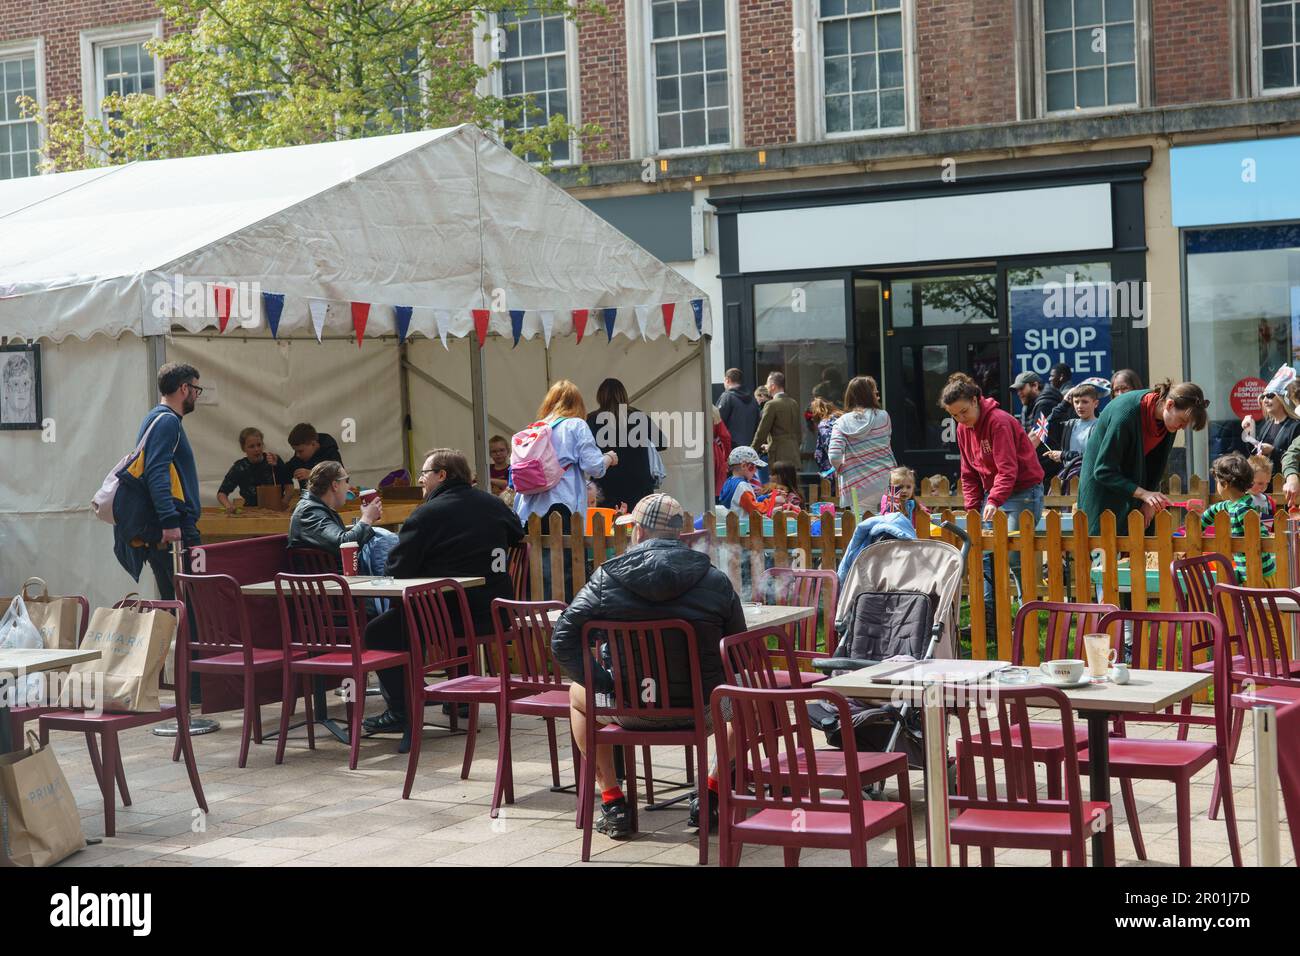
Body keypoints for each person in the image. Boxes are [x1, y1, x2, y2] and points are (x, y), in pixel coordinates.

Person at [551, 493, 746, 838]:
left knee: (577, 695)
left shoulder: (605, 579)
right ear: (679, 534)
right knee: (747, 703)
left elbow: (562, 639)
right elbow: (739, 651)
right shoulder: (714, 579)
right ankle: (710, 794)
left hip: (629, 706)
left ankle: (612, 802)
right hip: (703, 710)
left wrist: (603, 684)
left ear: (638, 532)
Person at [361, 448, 525, 734]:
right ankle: (458, 698)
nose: (422, 480)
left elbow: (397, 569)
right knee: (432, 611)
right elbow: (517, 535)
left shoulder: (426, 514)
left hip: (449, 621)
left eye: (425, 474)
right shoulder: (494, 504)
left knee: (379, 631)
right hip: (498, 612)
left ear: (442, 475)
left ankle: (401, 710)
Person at [941, 372, 1044, 641]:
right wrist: (973, 507)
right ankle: (991, 621)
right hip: (995, 493)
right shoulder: (964, 429)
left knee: (1013, 556)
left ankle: (1026, 618)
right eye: (954, 415)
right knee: (988, 557)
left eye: (964, 411)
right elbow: (968, 472)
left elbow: (1007, 468)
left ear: (976, 400)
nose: (960, 419)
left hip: (1022, 491)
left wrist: (995, 500)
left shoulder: (998, 422)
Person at [514, 380, 617, 600]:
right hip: (562, 507)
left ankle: (540, 621)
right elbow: (594, 467)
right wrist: (609, 457)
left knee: (539, 573)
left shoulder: (534, 428)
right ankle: (566, 623)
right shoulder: (576, 426)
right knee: (566, 573)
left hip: (529, 510)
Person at [1076, 379, 1209, 535]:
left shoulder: (1169, 423)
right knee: (1104, 552)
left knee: (1138, 551)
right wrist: (1145, 494)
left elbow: (1156, 467)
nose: (1183, 427)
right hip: (1102, 493)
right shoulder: (1125, 415)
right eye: (1183, 421)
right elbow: (1103, 471)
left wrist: (1148, 501)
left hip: (1134, 491)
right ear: (1169, 404)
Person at [128, 363, 204, 601]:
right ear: (184, 388)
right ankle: (188, 640)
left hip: (169, 528)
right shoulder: (167, 421)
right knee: (190, 605)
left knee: (176, 604)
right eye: (196, 390)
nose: (196, 396)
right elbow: (156, 472)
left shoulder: (155, 418)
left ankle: (179, 639)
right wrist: (170, 521)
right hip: (175, 530)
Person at [1198, 453, 1277, 585]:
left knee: (1260, 605)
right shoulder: (1230, 505)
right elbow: (1211, 512)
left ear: (1225, 484)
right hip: (1248, 572)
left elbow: (1262, 537)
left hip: (1260, 574)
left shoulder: (1243, 510)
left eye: (1217, 482)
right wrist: (1197, 529)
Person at [586, 377, 662, 512]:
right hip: (639, 487)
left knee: (605, 529)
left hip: (606, 486)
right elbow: (661, 442)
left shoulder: (591, 420)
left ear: (600, 397)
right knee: (637, 529)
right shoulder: (639, 417)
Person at [828, 375, 895, 512]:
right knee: (888, 526)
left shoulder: (841, 423)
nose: (878, 397)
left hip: (857, 486)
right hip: (886, 480)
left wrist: (840, 468)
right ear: (870, 396)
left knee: (864, 528)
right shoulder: (884, 417)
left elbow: (834, 456)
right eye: (876, 393)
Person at [287, 460, 382, 555]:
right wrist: (367, 518)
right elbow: (344, 545)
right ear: (335, 485)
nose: (348, 486)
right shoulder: (310, 512)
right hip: (327, 570)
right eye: (346, 481)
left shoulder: (315, 508)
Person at [217, 427, 291, 511]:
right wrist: (229, 506)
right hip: (250, 512)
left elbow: (289, 486)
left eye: (259, 445)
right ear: (243, 448)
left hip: (275, 511)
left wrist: (284, 503)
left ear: (263, 444)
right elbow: (221, 493)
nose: (257, 449)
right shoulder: (240, 467)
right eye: (251, 446)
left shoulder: (273, 460)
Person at [1045, 383, 1100, 487]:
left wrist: (1064, 455)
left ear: (1095, 403)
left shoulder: (1101, 426)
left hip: (1092, 481)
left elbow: (1095, 457)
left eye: (1085, 402)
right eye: (1076, 402)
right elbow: (1046, 426)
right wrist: (1064, 404)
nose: (1080, 406)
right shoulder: (1070, 425)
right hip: (1069, 480)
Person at [1240, 387, 1300, 477]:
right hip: (1265, 483)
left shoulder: (1295, 426)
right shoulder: (1267, 424)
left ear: (1282, 398)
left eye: (1269, 396)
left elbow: (1296, 457)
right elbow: (1254, 454)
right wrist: (1249, 432)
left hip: (1285, 482)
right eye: (1263, 397)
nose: (1265, 400)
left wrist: (1273, 450)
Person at [751, 371, 801, 473]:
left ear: (773, 386)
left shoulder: (771, 404)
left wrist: (751, 451)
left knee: (779, 486)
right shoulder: (793, 403)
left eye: (767, 384)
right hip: (794, 452)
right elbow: (797, 430)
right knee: (792, 485)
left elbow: (762, 432)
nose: (766, 386)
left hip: (778, 454)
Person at [286, 423, 343, 489]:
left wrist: (313, 474)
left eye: (300, 451)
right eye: (295, 451)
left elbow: (341, 478)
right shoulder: (299, 458)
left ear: (313, 444)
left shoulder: (330, 453)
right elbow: (285, 473)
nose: (297, 455)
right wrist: (277, 463)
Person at [716, 368, 760, 449]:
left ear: (727, 380)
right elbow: (758, 424)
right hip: (749, 448)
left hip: (731, 448)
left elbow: (718, 422)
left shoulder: (727, 397)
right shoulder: (753, 400)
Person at [718, 446, 768, 518]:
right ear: (744, 466)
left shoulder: (729, 482)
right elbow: (756, 510)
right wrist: (772, 501)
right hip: (745, 527)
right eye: (753, 467)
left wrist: (767, 497)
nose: (755, 471)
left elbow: (748, 502)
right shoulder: (743, 486)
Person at [1, 351, 37, 425]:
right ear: (6, 389)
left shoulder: (34, 418)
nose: (21, 390)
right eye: (16, 384)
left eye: (25, 383)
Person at [1248, 454, 1276, 518]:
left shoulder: (1269, 501)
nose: (1264, 487)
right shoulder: (1240, 499)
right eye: (1260, 483)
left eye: (1267, 483)